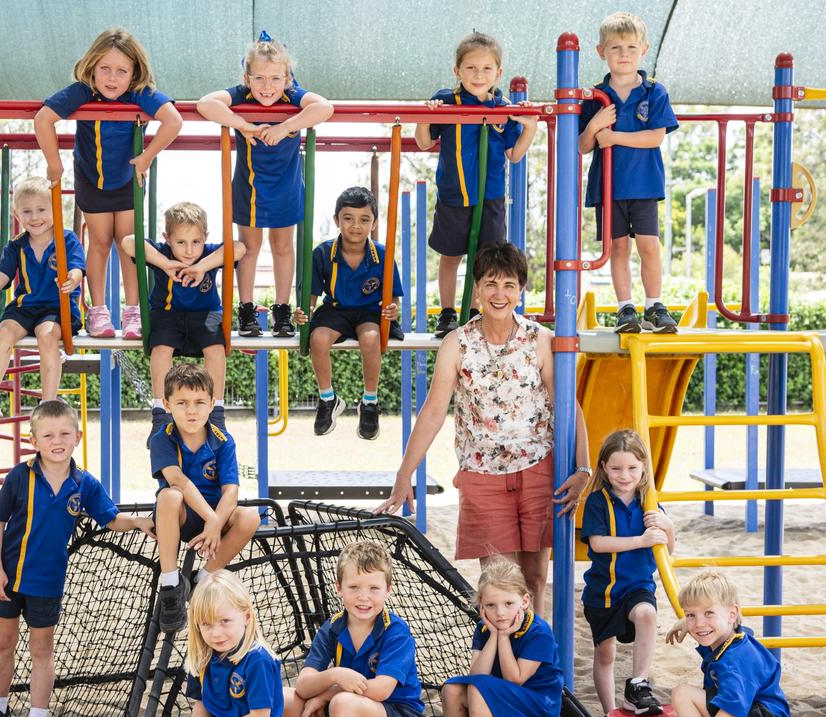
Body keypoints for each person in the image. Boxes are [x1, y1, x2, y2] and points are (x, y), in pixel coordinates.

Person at [378, 243, 590, 614]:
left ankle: (532, 660)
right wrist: (404, 473)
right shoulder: (457, 344)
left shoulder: (538, 340)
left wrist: (583, 467)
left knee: (535, 577)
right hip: (483, 473)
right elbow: (432, 412)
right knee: (499, 582)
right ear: (476, 290)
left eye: (509, 285)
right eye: (491, 284)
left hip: (537, 467)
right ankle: (504, 661)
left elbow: (567, 407)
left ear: (521, 292)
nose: (500, 293)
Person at [0, 400, 154, 717]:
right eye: (48, 436)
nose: (56, 442)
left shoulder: (84, 483)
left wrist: (139, 522)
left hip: (46, 582)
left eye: (64, 434)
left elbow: (110, 519)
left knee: (41, 650)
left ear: (78, 437)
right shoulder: (20, 476)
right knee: (4, 641)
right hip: (8, 577)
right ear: (34, 442)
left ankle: (37, 714)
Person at [36, 28, 183, 339]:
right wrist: (54, 163)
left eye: (121, 71)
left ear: (134, 73)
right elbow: (43, 119)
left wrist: (147, 157)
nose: (112, 78)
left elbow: (174, 120)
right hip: (91, 178)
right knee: (100, 243)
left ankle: (132, 312)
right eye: (105, 69)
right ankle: (99, 312)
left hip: (128, 179)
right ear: (92, 68)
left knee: (128, 245)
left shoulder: (138, 93)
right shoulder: (83, 92)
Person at [197, 31, 334, 338]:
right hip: (250, 186)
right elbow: (206, 104)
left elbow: (325, 108)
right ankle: (246, 310)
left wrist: (286, 126)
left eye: (275, 78)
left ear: (287, 79)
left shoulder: (293, 96)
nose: (267, 87)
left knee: (283, 246)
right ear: (247, 78)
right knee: (248, 247)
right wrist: (244, 125)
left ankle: (282, 310)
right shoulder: (242, 96)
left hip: (285, 183)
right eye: (259, 78)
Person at [416, 31, 536, 338]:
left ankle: (471, 312)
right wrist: (424, 117)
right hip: (454, 193)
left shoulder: (503, 107)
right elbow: (423, 141)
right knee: (450, 255)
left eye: (486, 69)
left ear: (497, 73)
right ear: (457, 71)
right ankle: (446, 313)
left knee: (484, 258)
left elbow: (515, 153)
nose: (478, 75)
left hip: (491, 195)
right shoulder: (446, 100)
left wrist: (530, 128)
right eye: (470, 68)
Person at [579, 12, 679, 334]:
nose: (624, 54)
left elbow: (656, 137)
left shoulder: (653, 92)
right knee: (617, 248)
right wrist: (595, 126)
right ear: (601, 52)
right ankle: (626, 308)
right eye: (616, 48)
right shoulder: (594, 97)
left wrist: (613, 137)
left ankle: (654, 304)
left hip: (644, 184)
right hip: (608, 186)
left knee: (649, 245)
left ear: (644, 50)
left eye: (631, 47)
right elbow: (582, 147)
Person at [151, 364, 261, 633]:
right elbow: (177, 480)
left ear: (212, 404)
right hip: (182, 518)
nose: (192, 410)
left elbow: (231, 491)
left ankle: (202, 578)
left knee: (250, 516)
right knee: (169, 497)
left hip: (215, 521)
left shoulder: (223, 440)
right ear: (167, 404)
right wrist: (210, 519)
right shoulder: (162, 439)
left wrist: (216, 521)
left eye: (200, 402)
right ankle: (170, 585)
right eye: (182, 402)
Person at [119, 202, 244, 430]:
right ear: (167, 238)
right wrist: (165, 263)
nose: (189, 251)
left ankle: (216, 412)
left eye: (196, 242)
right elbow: (128, 242)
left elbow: (239, 248)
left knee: (216, 349)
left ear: (205, 237)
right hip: (168, 313)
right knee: (161, 349)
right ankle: (161, 412)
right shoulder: (163, 254)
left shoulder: (208, 253)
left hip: (208, 314)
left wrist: (203, 266)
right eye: (181, 243)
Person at [0, 177, 85, 419]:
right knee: (4, 331)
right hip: (26, 306)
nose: (35, 217)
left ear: (54, 209)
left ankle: (48, 403)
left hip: (57, 307)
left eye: (42, 210)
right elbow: (3, 274)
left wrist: (73, 278)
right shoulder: (17, 246)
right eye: (27, 211)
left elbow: (77, 268)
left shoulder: (66, 240)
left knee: (46, 335)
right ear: (17, 214)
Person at [293, 186, 404, 440]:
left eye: (364, 219)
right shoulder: (323, 252)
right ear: (336, 220)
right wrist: (303, 313)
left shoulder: (383, 255)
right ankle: (328, 399)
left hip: (368, 312)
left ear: (374, 223)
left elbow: (393, 296)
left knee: (370, 339)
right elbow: (310, 297)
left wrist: (393, 310)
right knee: (318, 339)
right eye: (348, 218)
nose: (356, 226)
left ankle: (370, 401)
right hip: (336, 310)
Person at [580, 429, 675, 716]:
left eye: (632, 468)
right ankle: (611, 710)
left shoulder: (650, 504)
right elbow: (598, 543)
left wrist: (669, 526)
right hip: (604, 592)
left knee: (647, 614)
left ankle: (638, 684)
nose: (625, 475)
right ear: (604, 469)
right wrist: (641, 540)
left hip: (637, 587)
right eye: (616, 468)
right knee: (606, 654)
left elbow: (666, 553)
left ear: (644, 467)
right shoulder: (598, 502)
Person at [283, 541, 424, 717]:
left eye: (374, 588)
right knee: (284, 698)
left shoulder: (396, 631)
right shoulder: (333, 627)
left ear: (388, 590)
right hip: (344, 705)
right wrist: (335, 674)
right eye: (354, 587)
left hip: (395, 710)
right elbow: (303, 686)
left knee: (343, 703)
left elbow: (381, 690)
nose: (363, 597)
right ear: (339, 588)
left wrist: (325, 695)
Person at [441, 560, 564, 717]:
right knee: (452, 689)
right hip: (502, 694)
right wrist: (494, 636)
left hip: (538, 705)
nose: (500, 612)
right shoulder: (485, 628)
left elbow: (515, 679)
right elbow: (477, 675)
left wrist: (504, 636)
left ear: (524, 601)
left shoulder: (539, 632)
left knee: (479, 690)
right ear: (481, 607)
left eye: (508, 603)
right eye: (491, 605)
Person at [666, 571, 790, 717]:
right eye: (691, 615)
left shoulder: (734, 661)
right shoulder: (730, 637)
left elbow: (731, 712)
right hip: (753, 710)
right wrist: (685, 623)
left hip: (761, 715)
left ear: (732, 615)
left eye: (709, 613)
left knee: (682, 694)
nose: (699, 624)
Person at [186, 570, 284, 717]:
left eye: (225, 621)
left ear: (246, 617)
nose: (216, 633)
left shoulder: (257, 660)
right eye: (206, 624)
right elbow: (202, 703)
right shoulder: (203, 656)